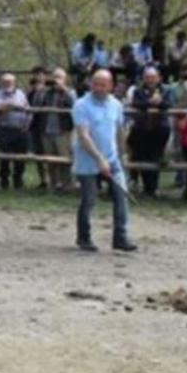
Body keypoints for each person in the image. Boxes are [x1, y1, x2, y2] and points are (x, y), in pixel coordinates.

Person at [71, 70, 138, 252]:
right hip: (88, 160)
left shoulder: (116, 105)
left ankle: (121, 237)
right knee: (89, 199)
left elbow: (119, 131)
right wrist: (99, 159)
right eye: (95, 84)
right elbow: (83, 135)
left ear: (111, 86)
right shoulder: (81, 105)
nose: (98, 88)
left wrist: (122, 154)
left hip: (112, 158)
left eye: (102, 84)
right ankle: (84, 238)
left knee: (121, 196)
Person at [127, 67, 174, 198]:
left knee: (155, 158)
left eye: (153, 77)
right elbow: (136, 103)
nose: (150, 80)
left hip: (160, 129)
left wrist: (159, 103)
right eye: (147, 77)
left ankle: (152, 188)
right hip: (142, 129)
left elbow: (169, 104)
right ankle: (145, 187)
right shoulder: (138, 90)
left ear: (159, 78)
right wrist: (149, 102)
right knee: (142, 157)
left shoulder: (166, 89)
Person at [40, 68, 78, 191]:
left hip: (63, 131)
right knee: (50, 161)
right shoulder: (46, 92)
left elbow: (76, 106)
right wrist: (43, 88)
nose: (56, 80)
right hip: (47, 130)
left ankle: (67, 185)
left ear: (64, 79)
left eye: (59, 77)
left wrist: (64, 90)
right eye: (54, 77)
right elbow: (38, 104)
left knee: (65, 159)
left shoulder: (70, 92)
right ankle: (53, 184)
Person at [0, 73, 31, 190]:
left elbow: (27, 109)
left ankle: (18, 180)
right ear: (2, 83)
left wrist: (27, 125)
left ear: (14, 83)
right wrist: (13, 105)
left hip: (20, 129)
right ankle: (4, 181)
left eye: (10, 82)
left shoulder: (21, 94)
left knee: (20, 157)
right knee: (4, 156)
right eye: (5, 82)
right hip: (5, 128)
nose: (8, 84)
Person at [26, 67, 50, 190]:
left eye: (42, 74)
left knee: (49, 153)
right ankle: (43, 180)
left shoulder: (50, 90)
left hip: (47, 125)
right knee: (38, 153)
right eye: (37, 75)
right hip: (34, 126)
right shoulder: (31, 92)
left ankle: (54, 180)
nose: (39, 77)